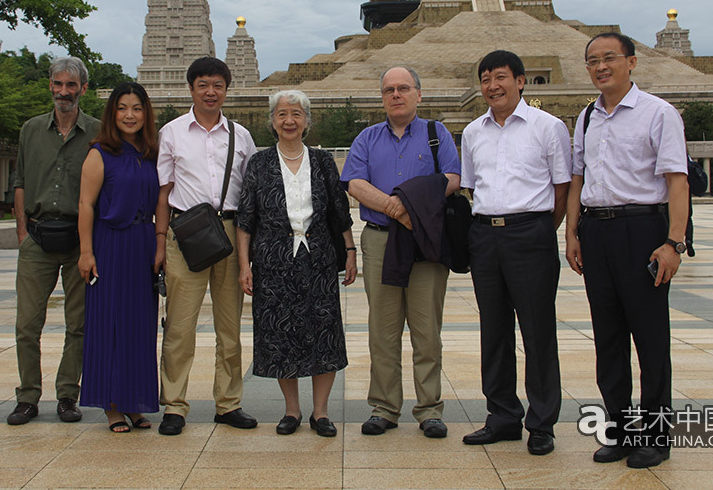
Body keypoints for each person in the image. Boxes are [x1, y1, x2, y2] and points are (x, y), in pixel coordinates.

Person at [565, 32, 688, 469]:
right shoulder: (586, 118)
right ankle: (619, 429)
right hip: (597, 232)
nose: (601, 66)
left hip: (643, 229)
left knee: (650, 338)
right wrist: (572, 233)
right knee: (609, 338)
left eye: (610, 58)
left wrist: (674, 242)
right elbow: (577, 180)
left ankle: (656, 435)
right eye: (593, 60)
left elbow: (677, 181)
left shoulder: (658, 113)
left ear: (631, 62)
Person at [459, 50, 571, 456]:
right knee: (494, 330)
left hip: (531, 234)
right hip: (485, 235)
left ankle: (541, 422)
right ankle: (502, 416)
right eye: (486, 78)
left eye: (501, 77)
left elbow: (562, 189)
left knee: (537, 331)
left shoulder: (548, 127)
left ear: (521, 81)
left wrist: (542, 230)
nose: (492, 86)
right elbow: (472, 187)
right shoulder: (473, 132)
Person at [341, 66, 461, 438]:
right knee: (383, 329)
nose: (396, 94)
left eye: (404, 88)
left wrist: (413, 209)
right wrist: (398, 208)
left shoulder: (436, 134)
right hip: (380, 239)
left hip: (426, 242)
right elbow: (354, 183)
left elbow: (453, 179)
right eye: (389, 89)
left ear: (418, 95)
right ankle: (384, 407)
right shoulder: (367, 137)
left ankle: (429, 409)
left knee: (427, 329)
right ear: (383, 97)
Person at [236, 90, 357, 437]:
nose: (289, 121)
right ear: (272, 121)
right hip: (272, 261)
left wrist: (349, 252)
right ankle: (292, 410)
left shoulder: (321, 161)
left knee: (325, 333)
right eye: (282, 114)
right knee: (279, 332)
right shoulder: (259, 164)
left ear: (306, 120)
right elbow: (246, 219)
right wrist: (245, 266)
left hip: (317, 260)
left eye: (296, 114)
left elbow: (339, 212)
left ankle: (320, 412)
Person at [155, 56, 258, 435]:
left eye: (217, 85)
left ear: (226, 90)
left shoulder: (241, 135)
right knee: (179, 327)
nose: (210, 92)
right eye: (203, 85)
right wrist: (161, 243)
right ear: (192, 89)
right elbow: (163, 192)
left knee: (229, 328)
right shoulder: (172, 132)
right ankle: (175, 405)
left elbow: (250, 195)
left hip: (230, 234)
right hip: (187, 235)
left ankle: (228, 403)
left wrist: (250, 252)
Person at [7, 57, 101, 426]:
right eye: (58, 84)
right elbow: (20, 180)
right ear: (50, 85)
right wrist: (20, 231)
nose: (64, 92)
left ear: (83, 89)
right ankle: (28, 396)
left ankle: (67, 395)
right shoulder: (31, 129)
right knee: (27, 324)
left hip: (79, 238)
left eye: (71, 86)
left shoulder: (96, 131)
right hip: (37, 234)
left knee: (78, 324)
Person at [77, 82, 160, 432]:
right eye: (122, 108)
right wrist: (86, 252)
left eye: (137, 108)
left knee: (139, 327)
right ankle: (112, 405)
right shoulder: (99, 153)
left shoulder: (150, 153)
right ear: (112, 113)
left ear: (146, 114)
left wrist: (159, 245)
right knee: (109, 325)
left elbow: (161, 201)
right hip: (110, 244)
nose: (130, 115)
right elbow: (85, 205)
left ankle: (135, 401)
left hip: (142, 243)